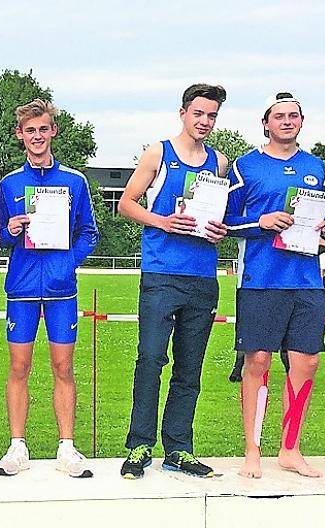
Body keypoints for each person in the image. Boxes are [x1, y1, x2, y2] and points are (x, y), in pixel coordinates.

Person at [115, 84, 229, 479]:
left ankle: (178, 447)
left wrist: (219, 230)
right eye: (199, 113)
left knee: (190, 366)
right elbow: (126, 203)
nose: (205, 122)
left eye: (212, 116)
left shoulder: (219, 162)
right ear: (183, 113)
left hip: (202, 276)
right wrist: (163, 221)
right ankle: (140, 444)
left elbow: (217, 216)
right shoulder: (158, 152)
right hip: (162, 273)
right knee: (150, 358)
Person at [225, 92, 325, 479]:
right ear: (266, 123)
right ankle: (252, 450)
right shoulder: (245, 166)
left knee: (306, 362)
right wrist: (262, 221)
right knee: (258, 362)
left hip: (307, 280)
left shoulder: (315, 166)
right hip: (261, 280)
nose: (287, 121)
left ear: (302, 122)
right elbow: (224, 222)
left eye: (294, 116)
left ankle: (290, 448)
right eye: (279, 116)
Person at [0, 99, 98, 478]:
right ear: (21, 135)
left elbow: (90, 234)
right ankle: (16, 445)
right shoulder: (8, 183)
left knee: (62, 366)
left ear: (53, 131)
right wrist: (12, 231)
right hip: (21, 289)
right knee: (19, 365)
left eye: (43, 129)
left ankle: (66, 448)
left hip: (61, 292)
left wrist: (65, 262)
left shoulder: (75, 181)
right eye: (30, 131)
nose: (37, 137)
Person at [228, 240, 325, 382]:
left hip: (319, 301)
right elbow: (314, 282)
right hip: (319, 302)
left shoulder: (323, 256)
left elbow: (314, 281)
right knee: (299, 345)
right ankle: (292, 378)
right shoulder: (321, 256)